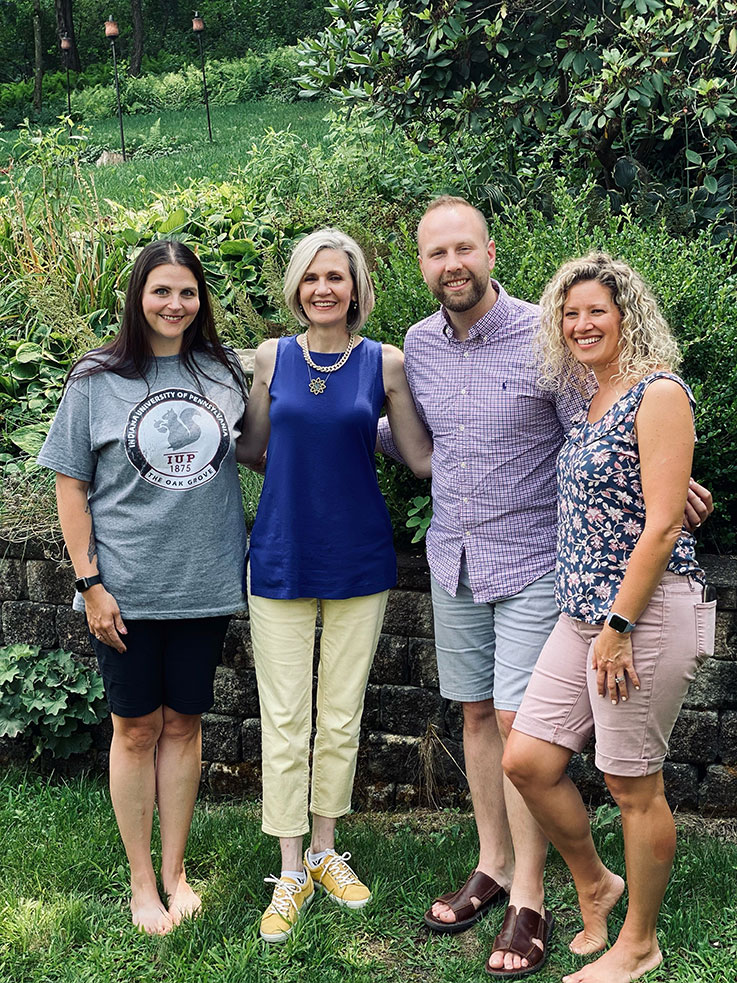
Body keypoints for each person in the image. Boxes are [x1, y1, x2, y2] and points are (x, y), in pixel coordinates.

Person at [376, 197, 712, 978]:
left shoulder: (541, 336)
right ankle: (494, 865)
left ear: (489, 252)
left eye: (464, 247)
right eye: (435, 253)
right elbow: (418, 441)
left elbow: (608, 425)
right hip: (454, 556)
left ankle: (532, 894)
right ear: (421, 264)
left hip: (537, 562)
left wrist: (674, 483)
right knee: (479, 722)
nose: (451, 263)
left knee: (517, 720)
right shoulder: (419, 345)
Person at [502, 253, 716, 983]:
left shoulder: (657, 391)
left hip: (640, 617)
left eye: (596, 309)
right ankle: (596, 884)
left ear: (626, 315)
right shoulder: (590, 397)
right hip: (583, 614)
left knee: (632, 786)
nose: (580, 323)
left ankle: (638, 942)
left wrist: (619, 627)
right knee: (527, 759)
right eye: (568, 313)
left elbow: (660, 528)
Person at [38, 240, 249, 936]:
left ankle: (176, 870)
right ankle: (140, 882)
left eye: (186, 292)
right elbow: (71, 486)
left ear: (200, 300)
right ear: (138, 296)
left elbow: (269, 444)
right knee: (134, 729)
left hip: (205, 580)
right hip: (123, 588)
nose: (174, 304)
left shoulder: (223, 371)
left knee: (184, 724)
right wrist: (89, 581)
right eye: (161, 290)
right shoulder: (96, 378)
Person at [236, 228, 432, 943]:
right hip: (281, 556)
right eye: (312, 277)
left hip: (358, 560)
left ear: (355, 288)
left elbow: (419, 457)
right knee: (285, 716)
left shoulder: (386, 363)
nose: (324, 288)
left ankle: (325, 850)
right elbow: (253, 448)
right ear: (296, 286)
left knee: (340, 713)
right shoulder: (271, 358)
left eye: (337, 277)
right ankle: (289, 867)